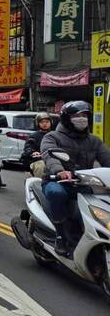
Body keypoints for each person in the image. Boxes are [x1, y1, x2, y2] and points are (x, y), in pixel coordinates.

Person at [41, 101, 110, 256]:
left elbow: (107, 159)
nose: (82, 119)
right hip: (57, 181)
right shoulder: (52, 136)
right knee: (57, 193)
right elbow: (49, 155)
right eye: (77, 116)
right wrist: (60, 171)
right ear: (66, 118)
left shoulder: (94, 141)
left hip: (83, 184)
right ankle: (60, 236)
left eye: (84, 115)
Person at [20, 112, 53, 177]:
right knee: (40, 166)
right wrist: (33, 152)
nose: (45, 124)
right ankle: (40, 184)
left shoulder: (55, 135)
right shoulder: (34, 136)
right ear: (38, 123)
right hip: (38, 159)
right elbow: (28, 147)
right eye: (42, 122)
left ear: (51, 123)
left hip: (53, 159)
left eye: (47, 122)